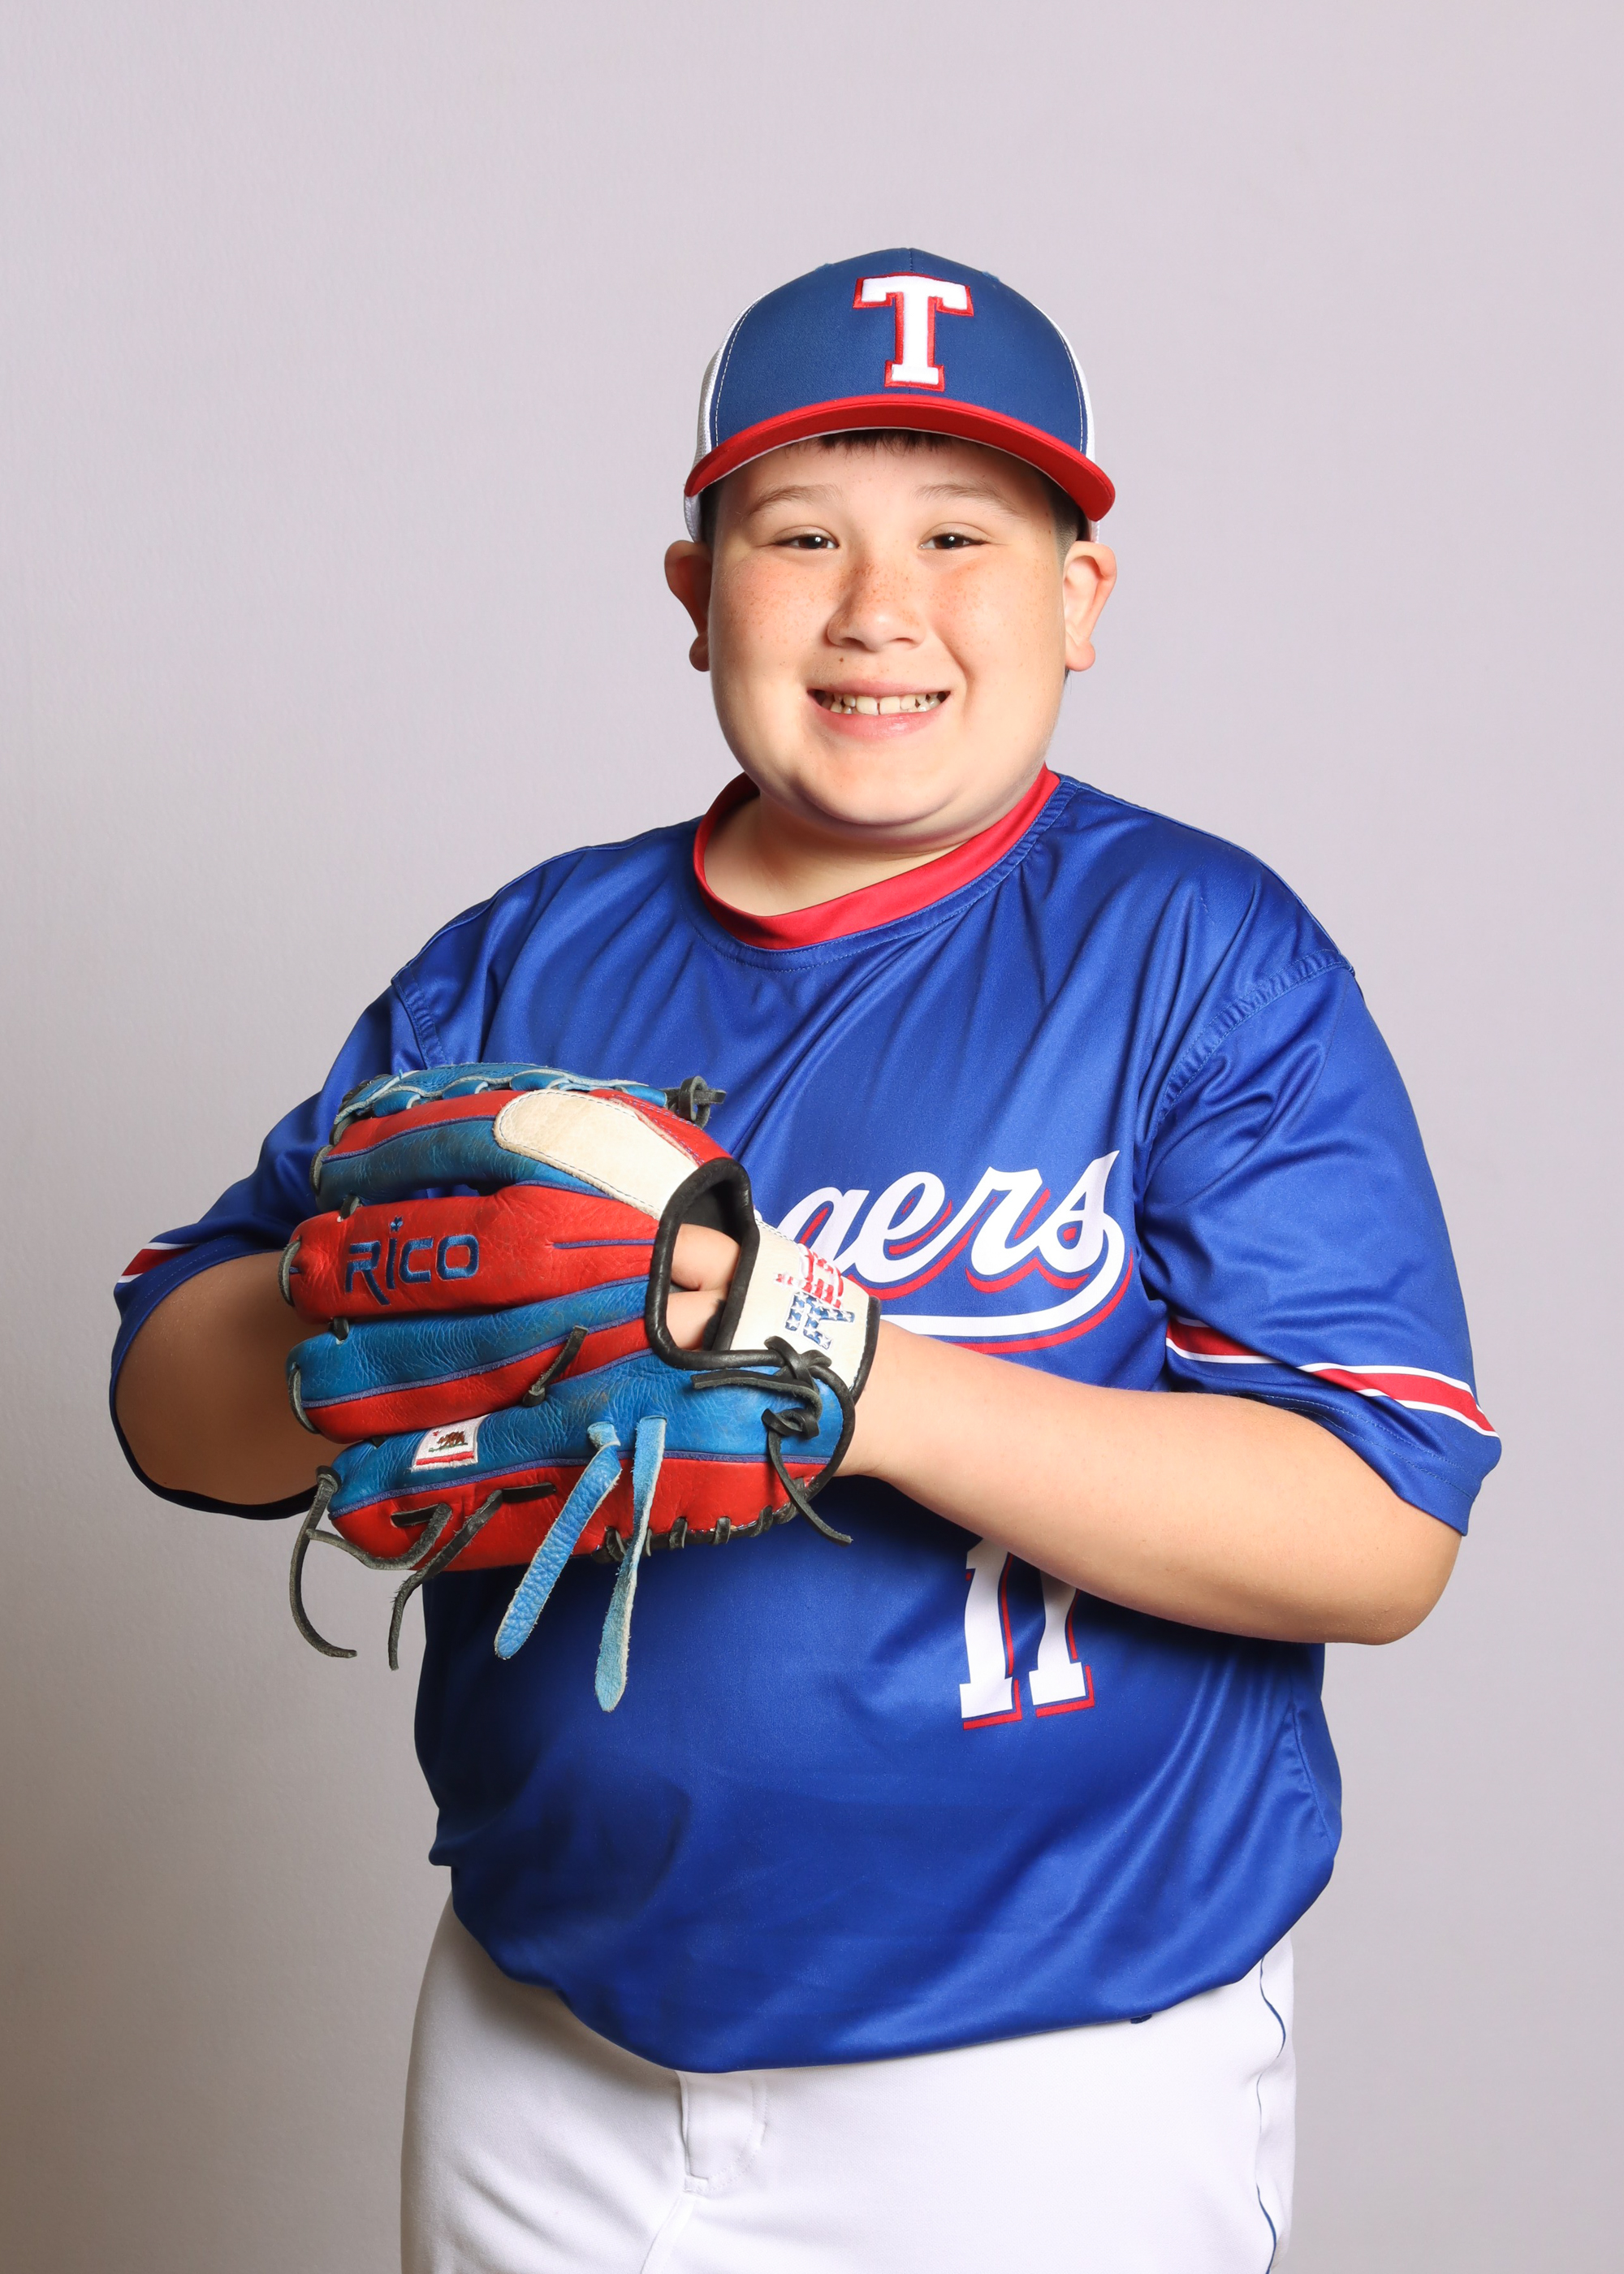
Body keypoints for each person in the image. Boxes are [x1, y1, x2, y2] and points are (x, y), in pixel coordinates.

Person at [111, 249, 1498, 2272]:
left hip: (1045, 2063)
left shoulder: (1198, 955)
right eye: (799, 534)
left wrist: (825, 1354)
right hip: (543, 2041)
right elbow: (175, 1402)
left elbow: (1377, 1530)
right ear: (694, 593)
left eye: (960, 535)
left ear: (1080, 599)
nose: (878, 608)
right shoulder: (521, 964)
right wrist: (385, 1315)